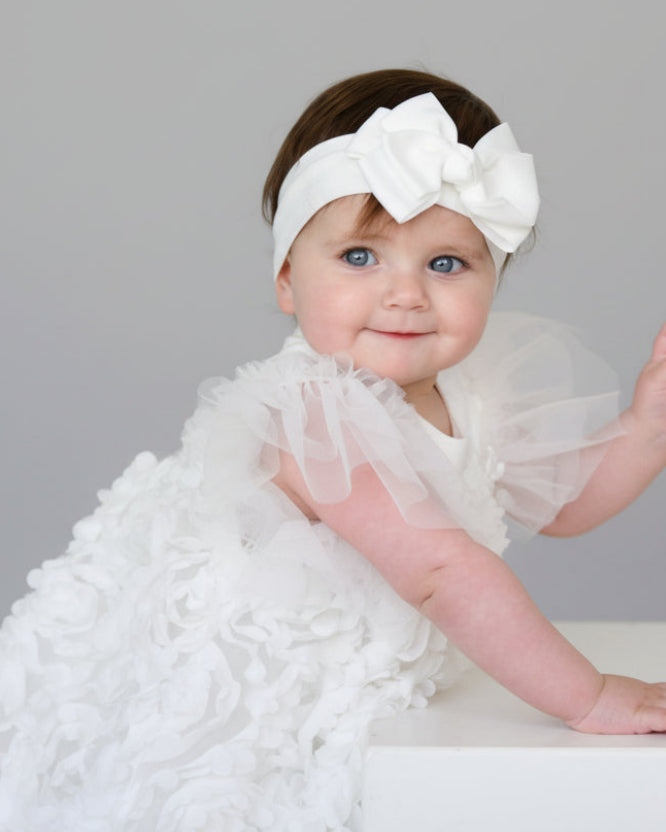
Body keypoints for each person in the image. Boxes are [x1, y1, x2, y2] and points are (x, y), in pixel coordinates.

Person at [1, 68, 665, 831]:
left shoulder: (474, 389)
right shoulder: (316, 412)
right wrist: (588, 695)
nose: (406, 293)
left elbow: (566, 503)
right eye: (360, 257)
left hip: (379, 694)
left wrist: (646, 429)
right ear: (287, 277)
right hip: (256, 693)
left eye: (446, 263)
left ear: (495, 276)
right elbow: (441, 571)